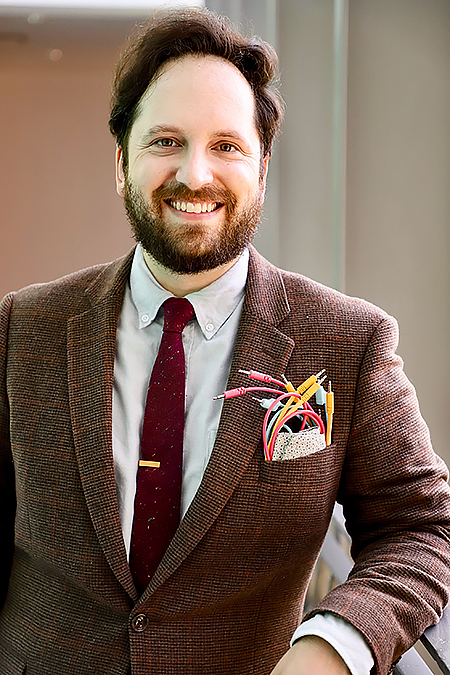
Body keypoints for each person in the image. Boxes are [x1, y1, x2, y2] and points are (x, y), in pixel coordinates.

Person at [0, 7, 449, 675]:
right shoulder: (22, 329)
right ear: (121, 162)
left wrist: (334, 646)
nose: (195, 174)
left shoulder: (350, 341)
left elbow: (422, 530)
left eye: (226, 146)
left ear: (262, 169)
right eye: (165, 142)